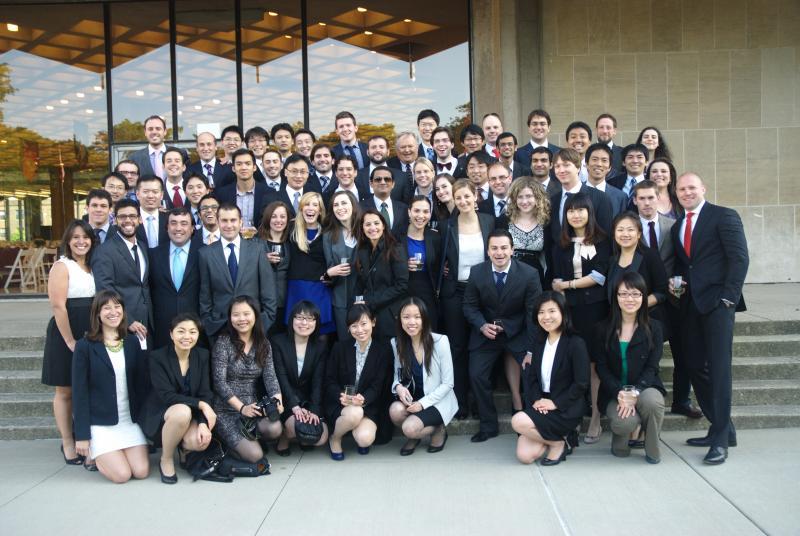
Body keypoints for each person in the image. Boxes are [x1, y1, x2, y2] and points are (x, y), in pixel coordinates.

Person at [670, 172, 749, 465]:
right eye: (682, 189)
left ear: (703, 188)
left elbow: (739, 258)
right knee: (693, 364)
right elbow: (685, 264)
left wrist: (728, 299)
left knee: (719, 369)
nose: (687, 192)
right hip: (691, 305)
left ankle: (719, 441)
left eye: (692, 187)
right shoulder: (679, 225)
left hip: (718, 304)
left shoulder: (724, 216)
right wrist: (675, 282)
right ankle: (723, 427)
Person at [463, 229, 541, 442]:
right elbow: (469, 306)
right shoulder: (477, 272)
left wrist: (532, 350)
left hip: (517, 332)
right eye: (494, 248)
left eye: (504, 248)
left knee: (531, 371)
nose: (499, 253)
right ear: (487, 251)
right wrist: (481, 325)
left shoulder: (529, 274)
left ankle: (531, 421)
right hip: (486, 334)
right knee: (476, 374)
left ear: (512, 250)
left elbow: (533, 315)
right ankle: (489, 426)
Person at [550, 192, 611, 443]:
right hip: (568, 312)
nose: (576, 215)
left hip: (595, 312)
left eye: (580, 210)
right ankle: (571, 419)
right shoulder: (561, 244)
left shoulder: (603, 240)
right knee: (571, 366)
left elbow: (599, 277)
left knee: (594, 366)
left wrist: (568, 285)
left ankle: (595, 418)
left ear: (589, 212)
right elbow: (554, 280)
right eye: (571, 211)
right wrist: (562, 287)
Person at [72, 290, 150, 482]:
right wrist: (82, 435)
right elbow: (79, 392)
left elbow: (142, 386)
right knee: (122, 475)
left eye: (117, 307)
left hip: (128, 421)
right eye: (106, 308)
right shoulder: (85, 346)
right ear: (97, 314)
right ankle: (95, 453)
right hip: (101, 423)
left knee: (140, 472)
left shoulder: (132, 342)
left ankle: (114, 453)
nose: (113, 312)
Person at [511, 292, 589, 465]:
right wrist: (538, 402)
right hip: (541, 405)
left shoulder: (576, 343)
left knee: (517, 421)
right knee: (525, 456)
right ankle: (560, 440)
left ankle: (557, 443)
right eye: (541, 312)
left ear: (563, 313)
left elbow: (581, 384)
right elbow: (531, 379)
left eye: (552, 311)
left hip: (565, 407)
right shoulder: (538, 342)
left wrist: (555, 404)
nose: (546, 317)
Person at [595, 273, 667, 463]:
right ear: (616, 297)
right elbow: (601, 368)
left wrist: (635, 393)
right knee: (624, 423)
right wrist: (620, 393)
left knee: (652, 402)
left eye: (635, 294)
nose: (629, 299)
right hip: (614, 392)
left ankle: (653, 449)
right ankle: (622, 440)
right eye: (624, 294)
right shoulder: (603, 329)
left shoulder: (655, 328)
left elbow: (652, 367)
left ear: (643, 297)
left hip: (644, 387)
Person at [439, 179, 495, 418]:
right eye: (458, 197)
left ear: (476, 197)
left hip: (483, 292)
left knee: (483, 347)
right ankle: (461, 403)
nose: (463, 201)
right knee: (457, 348)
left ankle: (483, 404)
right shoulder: (446, 226)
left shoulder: (489, 221)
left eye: (466, 196)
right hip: (455, 292)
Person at [42, 219, 96, 466]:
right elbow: (57, 305)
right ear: (68, 241)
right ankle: (67, 442)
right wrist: (70, 340)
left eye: (85, 237)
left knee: (87, 387)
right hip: (68, 331)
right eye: (75, 237)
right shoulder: (62, 266)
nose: (81, 241)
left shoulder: (93, 266)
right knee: (65, 389)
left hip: (91, 331)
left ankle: (85, 436)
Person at [140, 313, 216, 483]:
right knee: (182, 412)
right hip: (163, 413)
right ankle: (166, 458)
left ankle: (183, 448)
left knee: (199, 442)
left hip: (191, 413)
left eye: (192, 332)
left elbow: (205, 392)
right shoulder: (157, 357)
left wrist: (203, 423)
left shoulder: (202, 356)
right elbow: (167, 396)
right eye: (181, 331)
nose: (187, 337)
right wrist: (201, 404)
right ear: (171, 334)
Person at [211, 296, 283, 463]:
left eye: (246, 314)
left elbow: (270, 377)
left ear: (255, 316)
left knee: (275, 428)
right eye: (236, 315)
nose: (241, 319)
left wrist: (277, 400)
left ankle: (249, 438)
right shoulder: (223, 342)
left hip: (253, 408)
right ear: (230, 318)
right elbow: (219, 382)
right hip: (226, 410)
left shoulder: (263, 343)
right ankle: (225, 441)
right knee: (255, 456)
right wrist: (241, 408)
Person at [197, 203, 277, 338]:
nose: (229, 225)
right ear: (217, 222)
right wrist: (210, 325)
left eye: (233, 220)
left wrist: (261, 325)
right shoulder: (205, 254)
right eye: (224, 220)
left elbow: (268, 292)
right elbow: (205, 296)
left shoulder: (257, 250)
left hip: (254, 328)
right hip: (219, 329)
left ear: (241, 222)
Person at [389, 298, 456, 455]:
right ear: (400, 320)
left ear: (424, 318)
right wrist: (398, 387)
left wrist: (422, 404)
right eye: (406, 317)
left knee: (409, 428)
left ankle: (438, 429)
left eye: (417, 317)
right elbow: (397, 375)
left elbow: (448, 384)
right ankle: (414, 436)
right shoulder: (397, 343)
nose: (411, 322)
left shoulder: (440, 341)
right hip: (414, 397)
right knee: (395, 411)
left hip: (437, 400)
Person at [324, 305, 392, 460]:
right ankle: (335, 438)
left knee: (364, 439)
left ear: (373, 322)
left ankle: (356, 428)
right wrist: (340, 395)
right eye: (354, 326)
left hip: (368, 406)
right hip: (342, 404)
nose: (359, 330)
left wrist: (364, 399)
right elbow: (329, 381)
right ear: (348, 328)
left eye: (364, 324)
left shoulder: (383, 350)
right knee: (355, 412)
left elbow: (378, 385)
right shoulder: (339, 348)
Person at [273, 301, 329, 455]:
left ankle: (300, 437)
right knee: (294, 429)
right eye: (299, 318)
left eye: (310, 319)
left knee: (321, 438)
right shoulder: (278, 342)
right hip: (285, 399)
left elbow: (318, 381)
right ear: (291, 320)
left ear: (316, 323)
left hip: (308, 399)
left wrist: (314, 409)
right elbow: (280, 377)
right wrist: (294, 406)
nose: (304, 323)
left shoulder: (320, 345)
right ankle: (286, 436)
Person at [92, 198, 152, 342]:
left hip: (147, 323)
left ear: (139, 220)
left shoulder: (143, 247)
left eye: (132, 216)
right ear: (115, 220)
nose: (127, 220)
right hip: (122, 326)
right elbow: (105, 289)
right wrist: (128, 320)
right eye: (122, 217)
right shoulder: (104, 251)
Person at [285, 192, 336, 340]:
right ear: (301, 208)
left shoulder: (328, 231)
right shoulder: (291, 228)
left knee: (321, 336)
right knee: (296, 334)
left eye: (315, 205)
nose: (311, 208)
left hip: (320, 288)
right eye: (307, 204)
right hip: (296, 288)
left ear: (320, 210)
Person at [149, 207, 201, 349]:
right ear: (167, 228)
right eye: (173, 223)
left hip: (195, 328)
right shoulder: (153, 255)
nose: (178, 228)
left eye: (184, 223)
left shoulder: (205, 253)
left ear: (192, 229)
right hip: (162, 328)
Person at [353, 209, 409, 340]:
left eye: (376, 223)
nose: (372, 228)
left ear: (383, 225)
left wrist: (371, 301)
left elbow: (402, 285)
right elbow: (359, 282)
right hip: (367, 314)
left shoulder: (395, 249)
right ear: (362, 228)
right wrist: (357, 303)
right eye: (367, 224)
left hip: (389, 314)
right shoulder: (362, 250)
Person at [322, 190, 361, 340]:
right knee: (345, 342)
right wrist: (330, 272)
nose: (340, 207)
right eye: (336, 205)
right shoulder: (329, 235)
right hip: (341, 298)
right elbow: (329, 271)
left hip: (364, 296)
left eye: (344, 203)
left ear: (353, 205)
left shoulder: (365, 229)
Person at [404, 196, 442, 330]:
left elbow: (440, 263)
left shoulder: (435, 237)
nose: (421, 216)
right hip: (403, 290)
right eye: (417, 211)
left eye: (426, 211)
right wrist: (403, 265)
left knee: (429, 330)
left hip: (428, 290)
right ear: (409, 212)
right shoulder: (397, 237)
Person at [214, 148, 272, 230]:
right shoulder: (222, 194)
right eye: (239, 164)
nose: (243, 167)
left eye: (248, 164)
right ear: (233, 168)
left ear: (254, 167)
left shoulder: (269, 193)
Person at [506, 176, 550, 285]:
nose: (524, 201)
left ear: (537, 197)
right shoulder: (504, 221)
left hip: (536, 278)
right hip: (510, 278)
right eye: (520, 197)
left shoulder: (546, 223)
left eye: (529, 196)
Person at [258, 201, 292, 335]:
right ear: (267, 218)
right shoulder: (255, 242)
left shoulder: (291, 242)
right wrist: (262, 259)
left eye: (282, 217)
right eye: (274, 216)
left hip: (285, 302)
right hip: (263, 303)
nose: (279, 220)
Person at [127, 114, 187, 180]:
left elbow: (187, 179)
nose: (154, 132)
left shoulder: (181, 153)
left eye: (158, 129)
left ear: (165, 131)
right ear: (145, 132)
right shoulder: (134, 158)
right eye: (150, 129)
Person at [359, 166, 409, 239]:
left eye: (387, 179)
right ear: (371, 183)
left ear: (393, 184)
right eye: (378, 179)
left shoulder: (404, 209)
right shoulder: (360, 208)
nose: (383, 182)